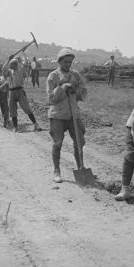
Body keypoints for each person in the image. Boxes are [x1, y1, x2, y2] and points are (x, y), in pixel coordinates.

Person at [46, 48, 87, 183]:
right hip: (58, 115)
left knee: (79, 142)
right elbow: (51, 99)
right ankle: (56, 171)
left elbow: (83, 93)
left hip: (74, 115)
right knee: (57, 143)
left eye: (70, 62)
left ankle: (81, 167)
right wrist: (62, 88)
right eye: (66, 62)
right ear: (59, 61)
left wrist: (75, 89)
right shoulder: (53, 76)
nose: (68, 64)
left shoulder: (76, 75)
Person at [2, 52, 42, 133]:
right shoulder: (9, 72)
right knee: (12, 110)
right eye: (10, 64)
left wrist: (23, 53)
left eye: (12, 64)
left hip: (20, 91)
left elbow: (26, 63)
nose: (11, 65)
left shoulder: (20, 70)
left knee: (26, 108)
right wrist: (8, 59)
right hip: (11, 92)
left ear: (16, 64)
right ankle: (15, 127)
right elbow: (3, 68)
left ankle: (35, 124)